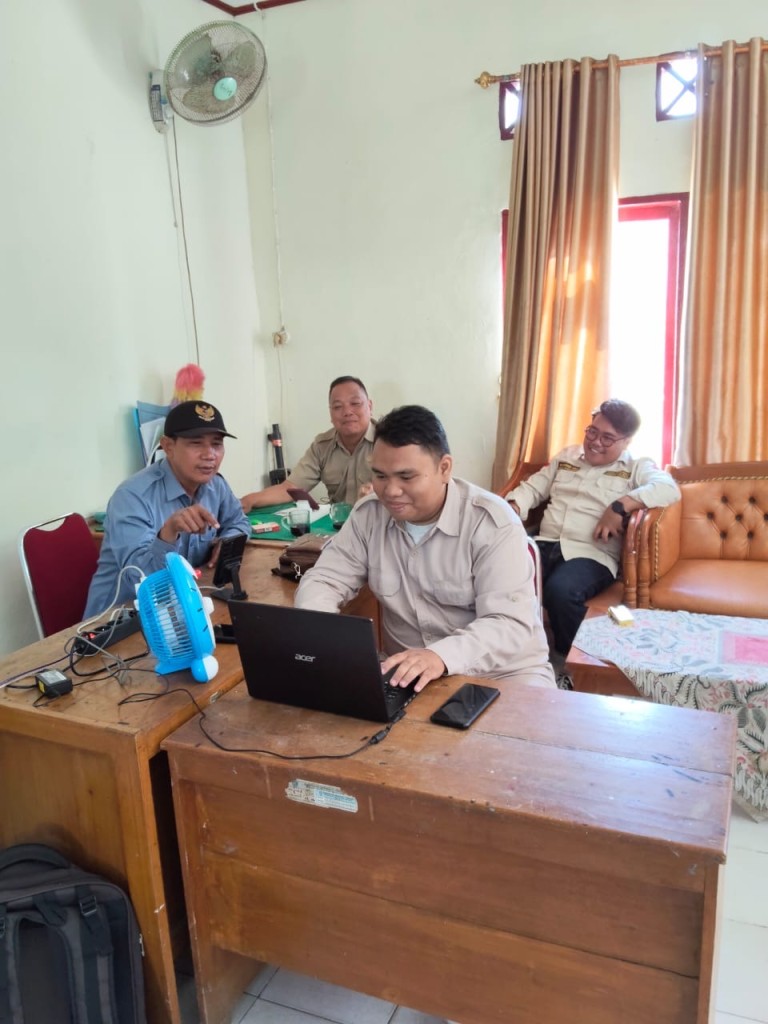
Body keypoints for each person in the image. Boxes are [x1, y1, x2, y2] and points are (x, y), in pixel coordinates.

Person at [295, 404, 555, 691]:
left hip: (503, 674)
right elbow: (325, 578)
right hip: (409, 677)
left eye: (406, 477)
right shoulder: (369, 515)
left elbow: (508, 623)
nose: (391, 491)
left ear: (444, 468)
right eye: (380, 476)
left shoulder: (492, 523)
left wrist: (440, 657)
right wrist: (320, 629)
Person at [504, 399, 681, 666]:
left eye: (607, 438)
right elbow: (534, 487)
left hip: (589, 555)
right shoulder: (567, 457)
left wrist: (620, 506)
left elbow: (668, 488)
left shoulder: (635, 466)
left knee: (561, 592)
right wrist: (513, 507)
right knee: (500, 577)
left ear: (626, 441)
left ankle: (575, 664)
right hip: (544, 544)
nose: (596, 442)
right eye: (592, 432)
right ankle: (512, 657)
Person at [84, 401, 251, 617]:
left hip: (179, 608)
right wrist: (168, 533)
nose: (210, 455)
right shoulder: (132, 496)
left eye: (216, 444)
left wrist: (227, 543)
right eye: (196, 443)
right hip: (120, 619)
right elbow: (141, 579)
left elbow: (239, 522)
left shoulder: (215, 485)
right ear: (168, 447)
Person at [240, 376, 375, 511]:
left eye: (355, 403)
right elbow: (290, 488)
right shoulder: (322, 446)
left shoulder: (385, 441)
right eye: (338, 406)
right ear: (330, 413)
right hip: (340, 521)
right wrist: (249, 500)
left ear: (369, 406)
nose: (347, 412)